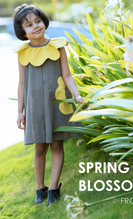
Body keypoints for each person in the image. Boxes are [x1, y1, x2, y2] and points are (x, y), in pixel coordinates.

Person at [13, 4, 84, 206]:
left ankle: (53, 189)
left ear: (44, 21)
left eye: (38, 21)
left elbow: (67, 76)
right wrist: (20, 111)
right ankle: (40, 188)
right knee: (39, 148)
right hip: (35, 107)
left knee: (56, 144)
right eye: (29, 24)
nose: (35, 26)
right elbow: (21, 84)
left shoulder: (58, 45)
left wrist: (77, 96)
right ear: (22, 31)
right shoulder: (22, 53)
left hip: (57, 103)